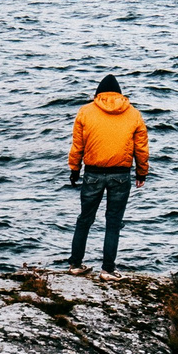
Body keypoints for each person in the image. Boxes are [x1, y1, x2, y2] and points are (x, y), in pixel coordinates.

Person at [66, 75, 149, 272]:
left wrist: (74, 169)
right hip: (120, 174)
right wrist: (141, 173)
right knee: (113, 222)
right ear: (120, 94)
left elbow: (78, 145)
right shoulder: (134, 114)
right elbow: (142, 148)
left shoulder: (85, 112)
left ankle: (75, 265)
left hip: (93, 173)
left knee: (84, 219)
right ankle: (108, 270)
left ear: (98, 94)